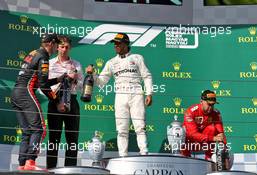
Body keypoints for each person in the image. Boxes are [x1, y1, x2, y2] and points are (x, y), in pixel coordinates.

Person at [86, 33, 153, 157]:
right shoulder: (111, 62)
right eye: (114, 43)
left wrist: (149, 93)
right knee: (121, 129)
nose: (116, 45)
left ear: (126, 44)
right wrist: (93, 74)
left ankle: (144, 154)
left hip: (136, 92)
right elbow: (101, 82)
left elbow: (147, 76)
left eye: (118, 43)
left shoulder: (137, 57)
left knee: (140, 126)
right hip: (120, 95)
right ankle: (123, 156)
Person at [11, 33, 63, 171]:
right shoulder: (44, 57)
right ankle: (31, 161)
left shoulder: (34, 52)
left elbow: (41, 82)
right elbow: (44, 85)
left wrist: (58, 80)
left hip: (16, 92)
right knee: (39, 129)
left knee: (27, 131)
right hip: (26, 92)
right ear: (51, 43)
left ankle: (22, 164)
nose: (57, 48)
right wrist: (57, 101)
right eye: (57, 45)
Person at [46, 35, 84, 169]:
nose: (64, 49)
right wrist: (56, 100)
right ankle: (50, 169)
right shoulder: (49, 63)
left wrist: (75, 80)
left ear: (70, 48)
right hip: (55, 100)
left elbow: (82, 87)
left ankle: (70, 170)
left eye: (67, 47)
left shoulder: (77, 64)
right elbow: (43, 87)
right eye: (61, 47)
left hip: (72, 101)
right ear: (57, 47)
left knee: (72, 139)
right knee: (53, 138)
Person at [181, 90, 227, 160]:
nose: (211, 107)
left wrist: (224, 150)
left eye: (212, 105)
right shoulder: (190, 111)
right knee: (182, 132)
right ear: (201, 102)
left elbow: (221, 134)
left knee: (212, 128)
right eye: (209, 104)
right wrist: (213, 138)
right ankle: (185, 157)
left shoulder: (216, 113)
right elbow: (192, 134)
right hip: (190, 142)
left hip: (204, 142)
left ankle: (209, 158)